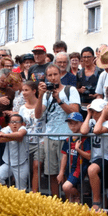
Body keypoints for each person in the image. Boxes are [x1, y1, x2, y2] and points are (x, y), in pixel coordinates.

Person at [35, 64, 81, 198]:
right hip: (51, 137)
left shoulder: (70, 90)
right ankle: (56, 202)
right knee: (52, 173)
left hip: (67, 137)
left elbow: (75, 112)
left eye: (55, 74)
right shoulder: (46, 94)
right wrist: (40, 96)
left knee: (67, 173)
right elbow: (38, 115)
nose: (53, 78)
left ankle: (71, 201)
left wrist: (59, 100)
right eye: (49, 75)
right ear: (46, 77)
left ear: (60, 74)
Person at [80, 99, 108, 211]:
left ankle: (96, 202)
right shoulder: (92, 121)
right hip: (92, 157)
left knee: (92, 170)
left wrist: (104, 115)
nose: (95, 114)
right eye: (93, 111)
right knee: (96, 179)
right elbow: (84, 131)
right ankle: (99, 203)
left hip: (104, 157)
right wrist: (88, 114)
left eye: (97, 112)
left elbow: (97, 130)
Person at [57, 112, 91, 204]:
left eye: (75, 123)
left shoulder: (85, 138)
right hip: (69, 168)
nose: (72, 126)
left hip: (78, 169)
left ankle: (78, 195)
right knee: (70, 199)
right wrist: (61, 172)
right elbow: (64, 156)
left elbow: (89, 156)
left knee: (66, 187)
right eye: (70, 123)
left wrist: (77, 149)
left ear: (81, 123)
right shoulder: (68, 139)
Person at [19, 81, 45, 192]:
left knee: (36, 166)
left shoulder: (43, 104)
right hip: (25, 142)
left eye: (26, 90)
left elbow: (41, 116)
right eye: (22, 90)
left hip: (40, 141)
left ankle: (35, 194)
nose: (23, 93)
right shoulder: (21, 108)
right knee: (23, 168)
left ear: (34, 91)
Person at [0, 114, 29, 190]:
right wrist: (14, 137)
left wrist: (5, 136)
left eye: (17, 122)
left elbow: (20, 135)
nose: (14, 124)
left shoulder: (23, 128)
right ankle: (8, 193)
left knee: (21, 189)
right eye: (12, 122)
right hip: (8, 163)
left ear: (22, 123)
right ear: (9, 124)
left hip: (21, 163)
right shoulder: (7, 128)